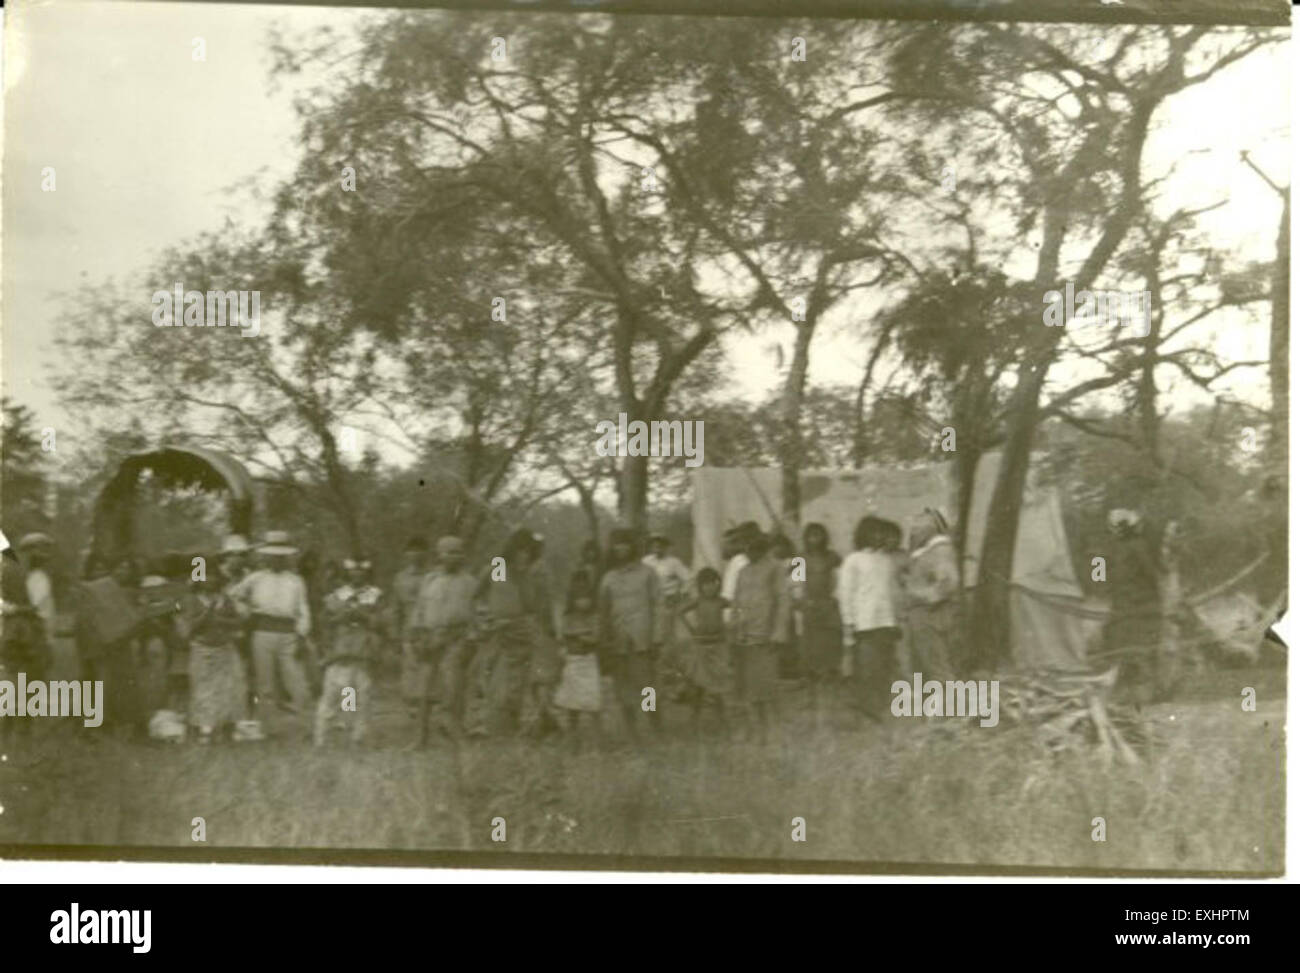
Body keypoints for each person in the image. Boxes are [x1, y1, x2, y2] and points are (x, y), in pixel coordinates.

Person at [229, 531, 312, 738]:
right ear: (265, 557)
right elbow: (234, 595)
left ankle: (303, 727)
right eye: (272, 555)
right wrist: (245, 612)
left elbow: (303, 609)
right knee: (265, 684)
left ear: (286, 557)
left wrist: (302, 634)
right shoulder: (255, 578)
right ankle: (268, 728)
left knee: (295, 680)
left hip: (288, 633)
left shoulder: (296, 581)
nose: (277, 559)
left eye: (281, 556)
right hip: (263, 631)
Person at [477, 528, 558, 735]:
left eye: (528, 551)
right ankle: (494, 723)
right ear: (511, 549)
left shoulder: (531, 574)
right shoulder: (500, 567)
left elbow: (535, 606)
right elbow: (481, 594)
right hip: (498, 632)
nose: (523, 554)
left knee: (525, 680)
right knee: (496, 679)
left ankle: (537, 723)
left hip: (523, 632)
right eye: (520, 550)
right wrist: (485, 617)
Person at [410, 536, 478, 745]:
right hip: (430, 639)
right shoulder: (430, 580)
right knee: (424, 691)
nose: (453, 556)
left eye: (457, 552)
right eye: (448, 552)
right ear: (439, 555)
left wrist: (470, 638)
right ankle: (420, 739)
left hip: (456, 639)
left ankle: (456, 734)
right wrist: (416, 634)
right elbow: (419, 609)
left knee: (452, 688)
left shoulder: (470, 582)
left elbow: (478, 612)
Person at [178, 546, 248, 744]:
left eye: (214, 577)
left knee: (229, 690)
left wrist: (222, 621)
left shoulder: (224, 599)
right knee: (203, 691)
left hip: (224, 648)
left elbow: (238, 622)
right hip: (203, 649)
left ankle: (226, 730)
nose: (211, 580)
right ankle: (201, 731)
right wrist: (207, 614)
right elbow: (189, 627)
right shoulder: (192, 600)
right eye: (206, 576)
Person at [838, 516, 904, 724]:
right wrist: (849, 622)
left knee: (884, 666)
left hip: (886, 621)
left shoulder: (886, 560)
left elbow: (892, 592)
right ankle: (866, 708)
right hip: (865, 623)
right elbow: (845, 593)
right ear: (864, 534)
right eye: (873, 532)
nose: (878, 537)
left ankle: (882, 706)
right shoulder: (854, 560)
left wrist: (896, 619)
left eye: (881, 533)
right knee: (866, 668)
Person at [314, 557, 385, 747]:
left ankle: (356, 736)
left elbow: (381, 622)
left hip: (363, 651)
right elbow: (324, 622)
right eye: (353, 570)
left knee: (359, 694)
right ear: (347, 573)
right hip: (340, 651)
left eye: (361, 570)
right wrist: (340, 617)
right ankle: (322, 737)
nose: (357, 574)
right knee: (333, 693)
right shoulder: (336, 595)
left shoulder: (375, 595)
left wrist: (362, 616)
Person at [598, 527, 661, 737]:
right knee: (623, 687)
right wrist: (604, 640)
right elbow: (603, 612)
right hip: (618, 640)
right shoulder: (608, 578)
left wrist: (657, 637)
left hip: (643, 639)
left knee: (647, 686)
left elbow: (658, 605)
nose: (621, 548)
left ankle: (655, 727)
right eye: (617, 544)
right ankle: (632, 731)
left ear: (632, 546)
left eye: (625, 543)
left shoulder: (647, 573)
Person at [730, 530, 791, 741]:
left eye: (752, 546)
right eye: (745, 547)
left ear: (760, 546)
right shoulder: (743, 571)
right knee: (746, 685)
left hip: (766, 634)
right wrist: (735, 627)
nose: (748, 551)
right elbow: (736, 602)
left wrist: (779, 631)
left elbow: (783, 601)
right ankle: (752, 728)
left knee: (765, 683)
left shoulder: (775, 568)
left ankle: (770, 729)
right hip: (745, 635)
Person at [905, 510, 961, 680]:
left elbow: (948, 582)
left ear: (932, 529)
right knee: (929, 668)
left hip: (930, 615)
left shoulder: (939, 550)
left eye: (919, 526)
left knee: (938, 668)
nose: (914, 531)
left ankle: (951, 705)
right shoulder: (926, 552)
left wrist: (924, 598)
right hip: (924, 614)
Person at [677, 567, 730, 732]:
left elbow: (739, 608)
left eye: (714, 583)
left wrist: (730, 626)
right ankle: (694, 721)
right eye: (706, 584)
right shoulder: (698, 601)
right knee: (698, 686)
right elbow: (679, 611)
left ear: (718, 584)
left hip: (718, 646)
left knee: (717, 687)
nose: (710, 587)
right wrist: (691, 628)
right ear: (700, 586)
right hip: (701, 645)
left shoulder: (721, 601)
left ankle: (722, 721)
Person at [796, 522, 842, 710]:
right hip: (809, 609)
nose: (814, 539)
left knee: (828, 651)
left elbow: (839, 580)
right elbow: (796, 585)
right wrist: (802, 602)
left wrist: (833, 600)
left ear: (824, 537)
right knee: (810, 653)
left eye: (818, 535)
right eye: (811, 535)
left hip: (828, 608)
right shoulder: (800, 559)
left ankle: (831, 696)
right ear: (806, 538)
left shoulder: (833, 558)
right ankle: (810, 696)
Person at [392, 536, 431, 717]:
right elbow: (396, 608)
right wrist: (394, 632)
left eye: (419, 551)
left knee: (429, 665)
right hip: (409, 626)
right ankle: (412, 705)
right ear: (406, 555)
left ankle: (429, 703)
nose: (415, 555)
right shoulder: (400, 578)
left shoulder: (432, 576)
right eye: (411, 551)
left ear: (426, 554)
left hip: (429, 625)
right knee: (410, 665)